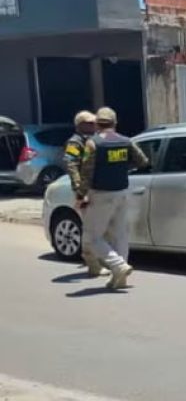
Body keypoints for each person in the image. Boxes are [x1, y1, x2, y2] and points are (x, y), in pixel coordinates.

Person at [78, 107, 149, 290]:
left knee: (93, 237)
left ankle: (118, 266)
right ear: (115, 123)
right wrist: (122, 167)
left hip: (100, 194)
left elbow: (86, 172)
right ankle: (120, 278)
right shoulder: (126, 141)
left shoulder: (93, 144)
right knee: (120, 236)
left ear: (97, 124)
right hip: (122, 193)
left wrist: (80, 195)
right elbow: (143, 161)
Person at [64, 110, 105, 277]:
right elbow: (71, 164)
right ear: (80, 125)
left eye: (94, 122)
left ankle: (99, 260)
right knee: (89, 228)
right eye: (89, 123)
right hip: (86, 190)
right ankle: (92, 263)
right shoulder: (75, 143)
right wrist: (80, 190)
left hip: (100, 188)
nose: (94, 125)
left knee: (101, 227)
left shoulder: (95, 140)